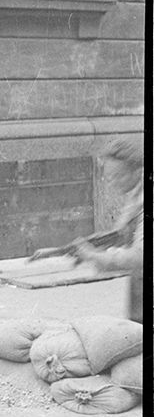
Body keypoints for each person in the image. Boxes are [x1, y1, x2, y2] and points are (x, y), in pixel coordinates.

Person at [69, 136, 144, 323]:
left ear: (139, 171)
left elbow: (140, 255)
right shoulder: (136, 193)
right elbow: (123, 233)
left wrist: (94, 256)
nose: (112, 183)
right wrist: (71, 249)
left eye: (118, 176)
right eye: (109, 177)